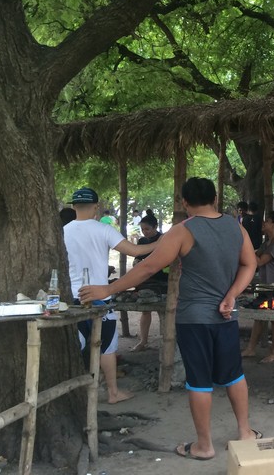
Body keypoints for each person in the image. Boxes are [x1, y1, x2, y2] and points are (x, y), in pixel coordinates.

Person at [80, 177, 260, 461]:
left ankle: (204, 446)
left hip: (194, 318)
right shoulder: (235, 227)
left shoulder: (182, 231)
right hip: (226, 315)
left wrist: (109, 288)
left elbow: (149, 267)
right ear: (214, 199)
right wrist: (231, 295)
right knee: (234, 374)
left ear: (185, 203)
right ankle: (245, 431)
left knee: (200, 380)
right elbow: (250, 264)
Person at [64, 187, 159, 404]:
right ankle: (113, 392)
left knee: (77, 343)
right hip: (99, 296)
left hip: (73, 297)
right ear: (96, 207)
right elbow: (135, 251)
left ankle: (73, 394)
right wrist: (161, 243)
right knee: (106, 344)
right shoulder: (103, 230)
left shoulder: (64, 230)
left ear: (73, 206)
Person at [243, 211, 274, 363]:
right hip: (265, 284)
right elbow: (254, 256)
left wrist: (246, 244)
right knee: (259, 317)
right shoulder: (267, 243)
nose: (264, 223)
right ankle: (250, 348)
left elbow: (260, 261)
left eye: (267, 221)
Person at [130, 213, 168, 352]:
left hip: (162, 279)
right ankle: (143, 341)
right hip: (146, 280)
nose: (144, 232)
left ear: (155, 227)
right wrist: (137, 262)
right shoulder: (141, 242)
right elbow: (138, 259)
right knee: (146, 311)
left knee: (163, 311)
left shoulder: (164, 239)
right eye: (142, 229)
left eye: (147, 229)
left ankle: (166, 342)